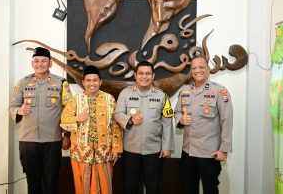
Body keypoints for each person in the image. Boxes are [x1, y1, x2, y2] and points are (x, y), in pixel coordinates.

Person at [9, 47, 72, 194]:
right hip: (28, 141)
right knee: (33, 182)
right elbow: (12, 107)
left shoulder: (62, 83)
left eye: (44, 61)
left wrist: (67, 135)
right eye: (36, 61)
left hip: (52, 140)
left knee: (51, 181)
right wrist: (19, 111)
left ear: (50, 63)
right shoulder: (23, 83)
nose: (40, 64)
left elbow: (68, 111)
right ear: (32, 64)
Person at [174, 56, 233, 194]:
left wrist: (224, 149)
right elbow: (177, 112)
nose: (197, 70)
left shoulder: (220, 91)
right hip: (188, 152)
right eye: (193, 68)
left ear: (208, 70)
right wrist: (181, 120)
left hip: (209, 153)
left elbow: (227, 120)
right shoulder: (185, 91)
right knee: (188, 188)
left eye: (201, 67)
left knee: (210, 189)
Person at [114, 61, 174, 194]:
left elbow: (167, 123)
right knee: (130, 186)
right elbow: (117, 114)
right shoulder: (125, 93)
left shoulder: (162, 96)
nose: (144, 76)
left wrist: (167, 147)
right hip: (130, 150)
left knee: (153, 187)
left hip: (154, 151)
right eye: (141, 73)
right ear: (135, 75)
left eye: (148, 73)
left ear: (153, 76)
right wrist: (130, 120)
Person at [60, 65, 122, 194]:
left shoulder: (109, 99)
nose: (91, 83)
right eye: (88, 80)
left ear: (100, 82)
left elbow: (115, 126)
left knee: (105, 186)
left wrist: (116, 150)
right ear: (83, 82)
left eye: (95, 80)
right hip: (81, 153)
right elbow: (63, 122)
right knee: (83, 186)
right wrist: (76, 118)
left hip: (104, 152)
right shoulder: (75, 101)